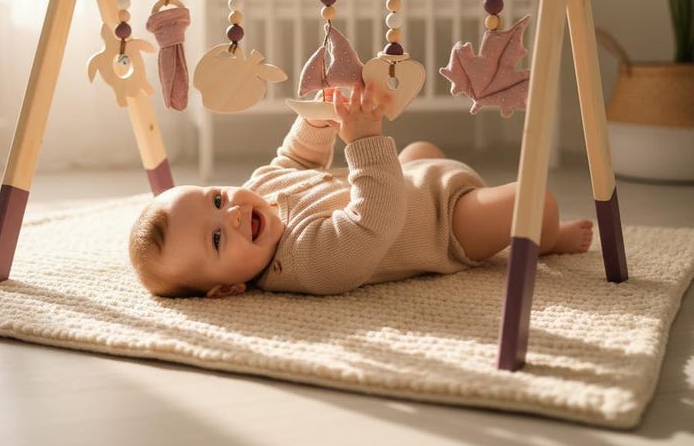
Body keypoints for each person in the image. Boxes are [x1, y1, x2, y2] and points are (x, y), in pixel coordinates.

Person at [129, 82, 593, 297]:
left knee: (421, 148)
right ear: (228, 290)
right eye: (216, 239)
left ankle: (421, 163)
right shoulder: (308, 265)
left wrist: (315, 121)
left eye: (215, 198)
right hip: (445, 225)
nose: (229, 213)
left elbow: (295, 162)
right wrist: (366, 141)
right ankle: (552, 241)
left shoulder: (256, 190)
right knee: (534, 202)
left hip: (411, 181)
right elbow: (374, 221)